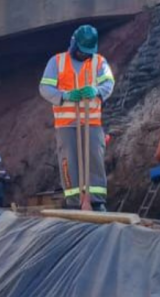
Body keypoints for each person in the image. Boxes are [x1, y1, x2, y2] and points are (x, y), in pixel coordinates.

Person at [39, 24, 114, 210]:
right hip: (66, 123)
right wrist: (65, 96)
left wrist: (96, 91)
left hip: (92, 121)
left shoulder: (99, 62)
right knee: (69, 160)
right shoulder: (56, 62)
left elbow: (109, 83)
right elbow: (45, 88)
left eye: (87, 52)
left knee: (94, 159)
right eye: (81, 51)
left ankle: (96, 201)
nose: (84, 55)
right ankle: (74, 201)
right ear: (74, 44)